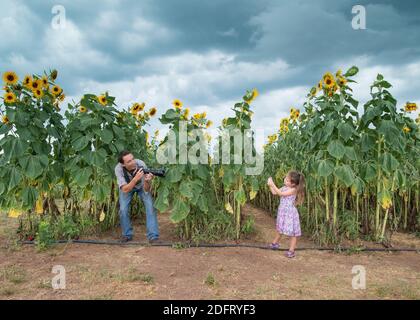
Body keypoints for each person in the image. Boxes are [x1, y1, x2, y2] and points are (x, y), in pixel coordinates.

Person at [114, 150, 159, 243]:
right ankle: (127, 235)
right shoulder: (118, 169)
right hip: (127, 186)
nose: (133, 162)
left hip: (141, 186)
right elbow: (125, 189)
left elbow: (146, 190)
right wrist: (135, 179)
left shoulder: (141, 164)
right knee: (123, 209)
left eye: (133, 159)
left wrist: (147, 181)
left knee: (150, 206)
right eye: (129, 161)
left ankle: (153, 236)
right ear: (123, 164)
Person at [267, 171, 305, 258]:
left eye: (288, 181)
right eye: (286, 179)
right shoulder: (284, 187)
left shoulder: (293, 190)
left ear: (293, 184)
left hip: (290, 214)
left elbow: (281, 194)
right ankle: (274, 244)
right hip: (283, 212)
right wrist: (270, 185)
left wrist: (272, 184)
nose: (285, 181)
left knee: (293, 233)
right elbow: (274, 192)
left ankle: (291, 251)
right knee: (280, 228)